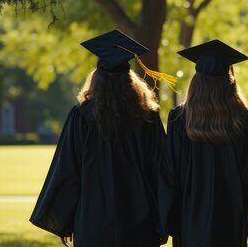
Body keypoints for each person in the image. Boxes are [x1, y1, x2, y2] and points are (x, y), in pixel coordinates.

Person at [30, 30, 167, 247]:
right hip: (140, 222)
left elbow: (68, 169)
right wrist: (162, 221)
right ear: (130, 79)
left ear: (97, 79)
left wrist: (64, 221)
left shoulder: (82, 116)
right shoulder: (147, 117)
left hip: (92, 223)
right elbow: (159, 170)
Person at [158, 39, 248, 247]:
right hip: (230, 220)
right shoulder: (244, 118)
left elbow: (169, 175)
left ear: (196, 81)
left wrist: (163, 224)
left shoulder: (179, 119)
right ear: (230, 80)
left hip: (189, 223)